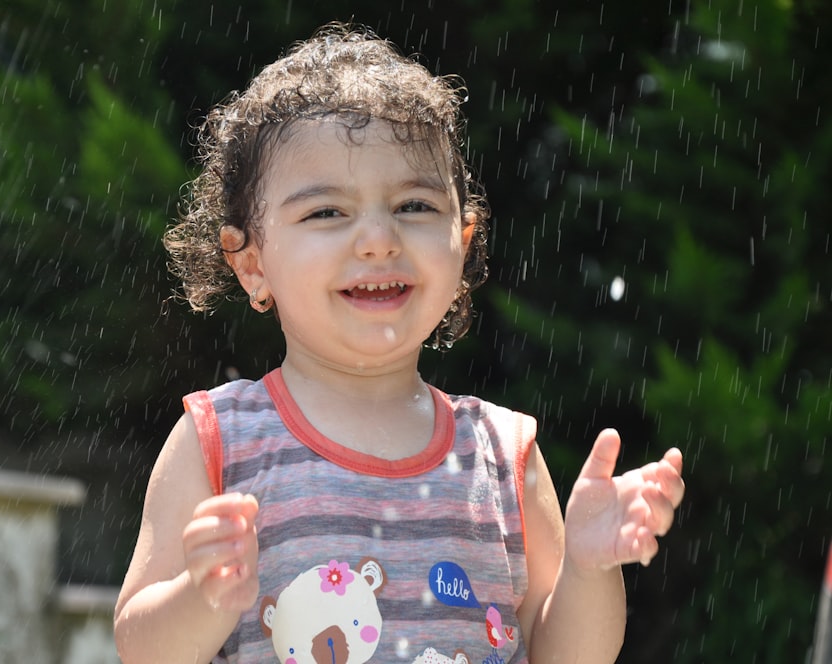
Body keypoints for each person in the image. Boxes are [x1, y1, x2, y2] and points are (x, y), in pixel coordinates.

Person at [113, 23, 685, 664]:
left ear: (461, 245)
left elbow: (566, 657)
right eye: (325, 212)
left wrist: (587, 568)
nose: (378, 239)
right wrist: (202, 595)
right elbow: (140, 647)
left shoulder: (502, 455)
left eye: (415, 205)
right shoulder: (221, 441)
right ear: (251, 263)